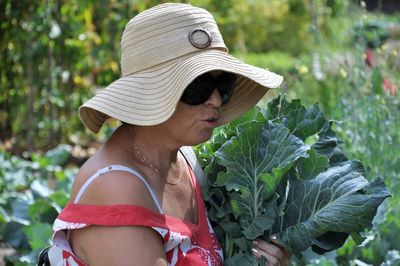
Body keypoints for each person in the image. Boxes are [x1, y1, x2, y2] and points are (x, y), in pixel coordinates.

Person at [44, 3, 291, 266]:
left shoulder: (186, 160)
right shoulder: (116, 188)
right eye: (199, 86)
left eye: (223, 85)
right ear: (149, 94)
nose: (216, 100)